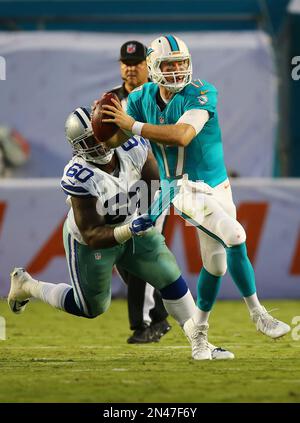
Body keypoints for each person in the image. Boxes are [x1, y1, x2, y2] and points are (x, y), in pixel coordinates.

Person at [101, 34, 291, 359]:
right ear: (153, 67)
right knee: (236, 234)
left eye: (180, 64)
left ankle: (198, 333)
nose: (176, 71)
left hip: (218, 186)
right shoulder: (140, 98)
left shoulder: (201, 92)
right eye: (169, 65)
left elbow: (182, 135)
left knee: (215, 266)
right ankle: (258, 313)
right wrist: (101, 124)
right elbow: (114, 140)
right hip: (181, 186)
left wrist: (132, 125)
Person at [7, 106, 234, 360]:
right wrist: (130, 229)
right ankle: (28, 286)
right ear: (78, 146)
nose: (101, 143)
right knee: (91, 307)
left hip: (132, 226)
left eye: (103, 133)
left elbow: (155, 182)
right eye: (91, 140)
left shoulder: (131, 147)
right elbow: (93, 234)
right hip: (91, 243)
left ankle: (201, 343)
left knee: (170, 276)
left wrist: (178, 190)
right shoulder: (79, 175)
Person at [109, 40, 170, 344]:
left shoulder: (161, 97)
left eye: (136, 63)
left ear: (148, 65)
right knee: (123, 256)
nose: (130, 68)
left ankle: (144, 324)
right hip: (122, 186)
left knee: (140, 247)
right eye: (125, 63)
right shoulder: (109, 102)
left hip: (155, 183)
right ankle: (160, 313)